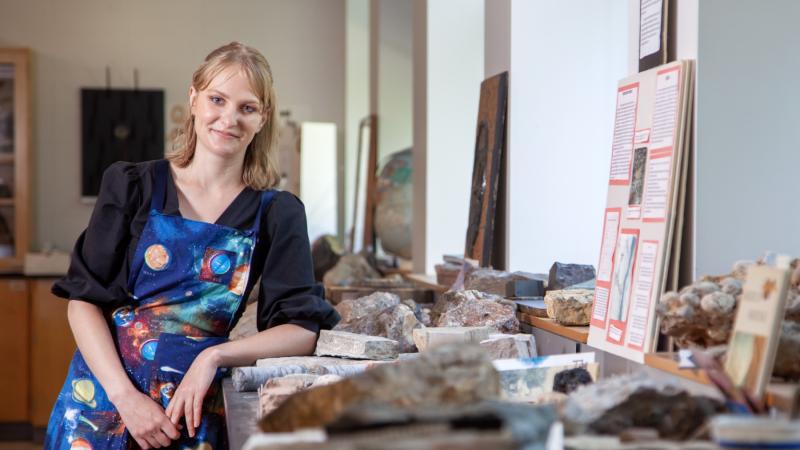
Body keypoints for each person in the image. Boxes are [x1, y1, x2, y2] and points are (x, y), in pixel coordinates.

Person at [44, 42, 340, 450]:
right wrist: (126, 398)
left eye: (247, 108)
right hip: (101, 405)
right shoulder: (133, 185)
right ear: (194, 99)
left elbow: (302, 330)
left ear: (262, 119)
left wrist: (213, 357)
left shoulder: (278, 213)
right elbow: (83, 302)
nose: (229, 118)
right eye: (217, 99)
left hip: (191, 416)